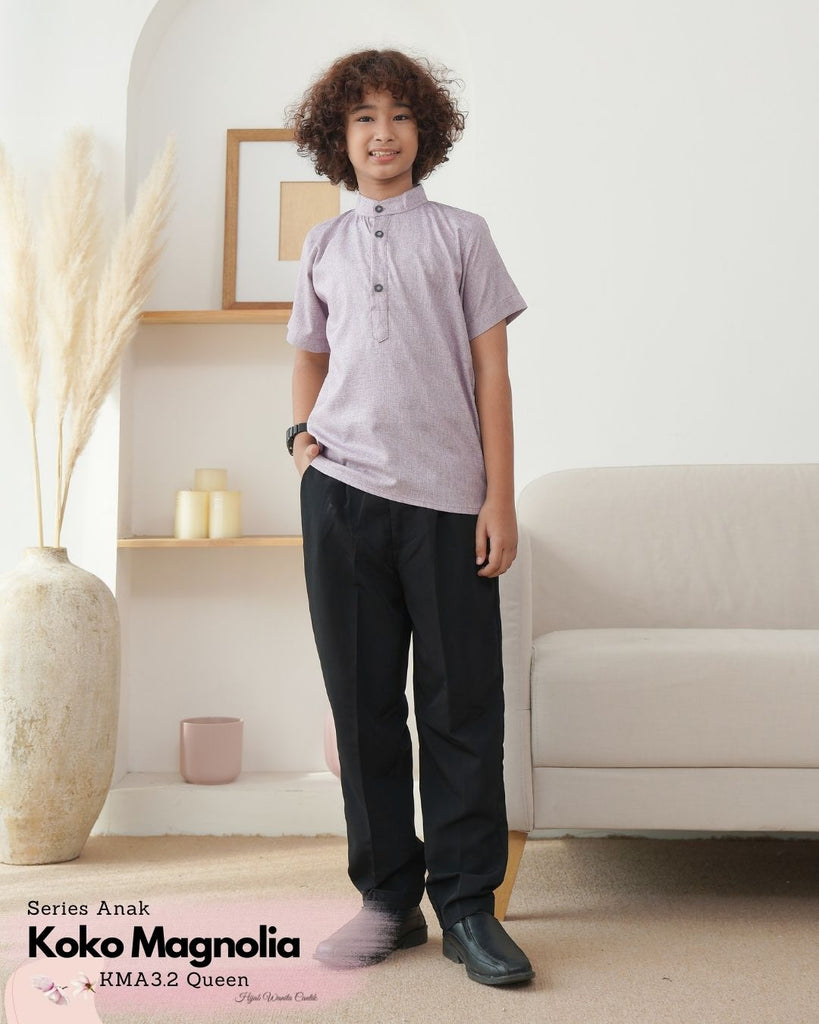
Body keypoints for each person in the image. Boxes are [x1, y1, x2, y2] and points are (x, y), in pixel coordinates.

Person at [285, 48, 533, 987]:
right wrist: (302, 441)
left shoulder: (462, 235)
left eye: (397, 116)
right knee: (362, 708)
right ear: (337, 138)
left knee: (462, 705)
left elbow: (492, 373)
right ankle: (386, 902)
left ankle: (468, 908)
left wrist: (497, 497)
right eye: (362, 118)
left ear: (424, 132)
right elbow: (309, 354)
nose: (381, 133)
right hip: (342, 498)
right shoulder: (323, 246)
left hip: (446, 503)